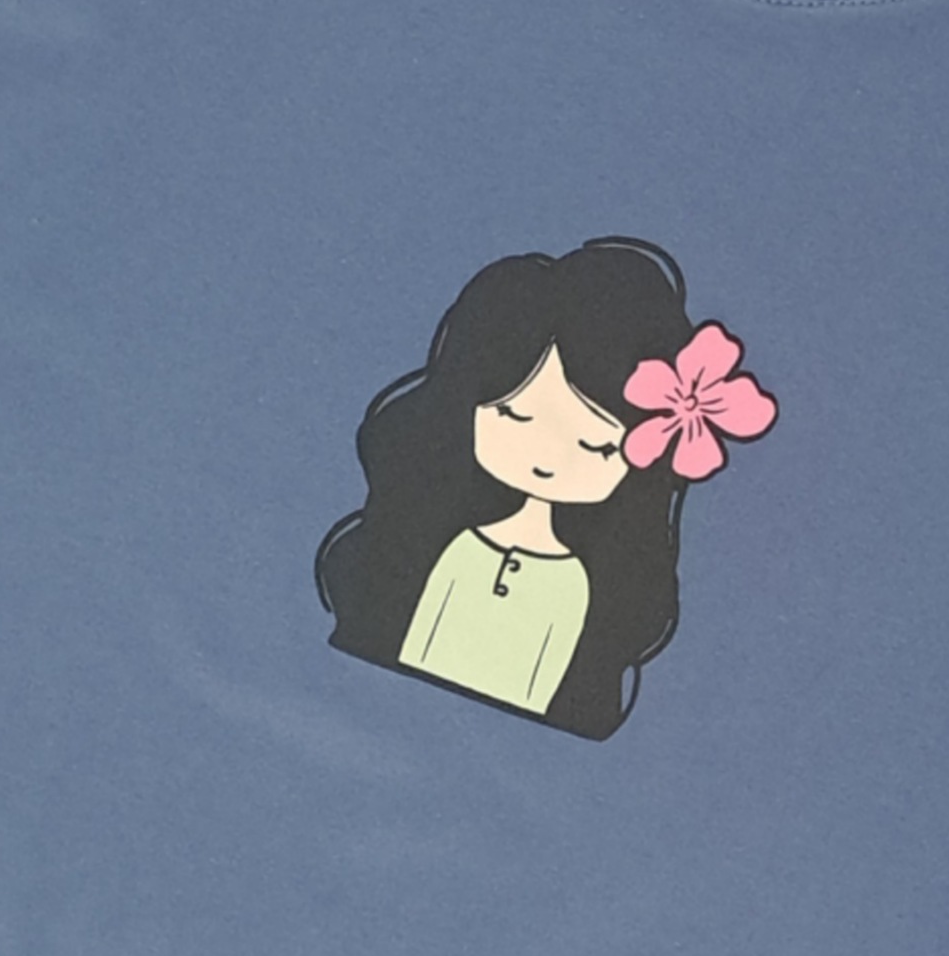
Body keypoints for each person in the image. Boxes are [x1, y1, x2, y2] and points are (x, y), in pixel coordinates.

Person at [316, 236, 776, 739]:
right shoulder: (452, 549)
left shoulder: (574, 587)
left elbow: (546, 706)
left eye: (596, 445)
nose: (549, 455)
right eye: (514, 415)